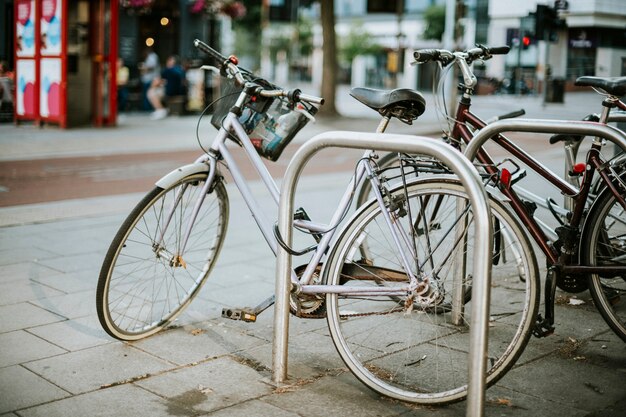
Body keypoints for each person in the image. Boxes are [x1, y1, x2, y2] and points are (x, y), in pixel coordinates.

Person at [147, 55, 186, 120]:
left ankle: (160, 110)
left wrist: (155, 85)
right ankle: (161, 109)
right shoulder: (181, 70)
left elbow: (156, 82)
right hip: (180, 91)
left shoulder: (167, 70)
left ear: (171, 62)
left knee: (151, 92)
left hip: (169, 92)